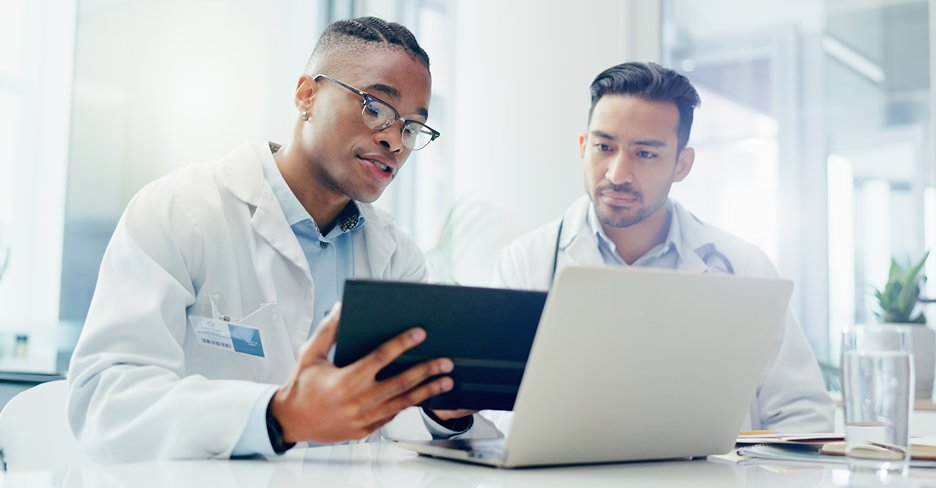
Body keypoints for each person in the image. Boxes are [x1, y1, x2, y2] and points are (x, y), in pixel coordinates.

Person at [66, 16, 491, 462]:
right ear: (307, 95)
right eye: (375, 107)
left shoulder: (396, 257)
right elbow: (105, 399)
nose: (395, 141)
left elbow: (394, 421)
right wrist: (276, 416)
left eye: (411, 126)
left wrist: (443, 413)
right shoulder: (178, 210)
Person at [484, 62, 834, 433]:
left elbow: (804, 417)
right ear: (584, 147)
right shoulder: (525, 263)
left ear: (682, 164)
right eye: (604, 147)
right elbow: (491, 414)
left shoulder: (745, 267)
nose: (617, 174)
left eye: (645, 153)